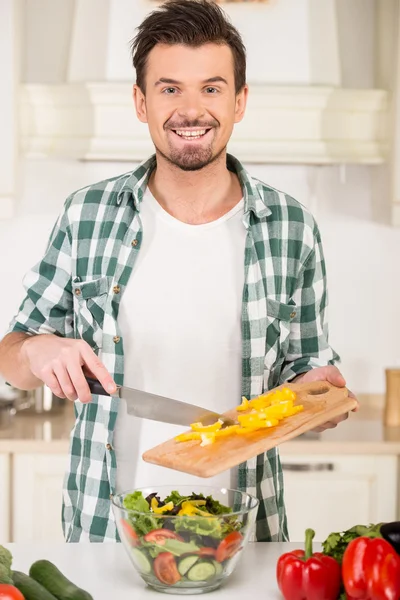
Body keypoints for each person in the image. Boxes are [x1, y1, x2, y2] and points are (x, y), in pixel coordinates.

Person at [0, 0, 356, 543]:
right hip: (107, 529)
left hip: (245, 532)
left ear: (240, 101)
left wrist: (317, 397)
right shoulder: (85, 214)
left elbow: (306, 375)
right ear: (141, 102)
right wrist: (34, 351)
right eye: (170, 89)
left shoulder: (292, 227)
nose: (192, 110)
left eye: (211, 88)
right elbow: (11, 359)